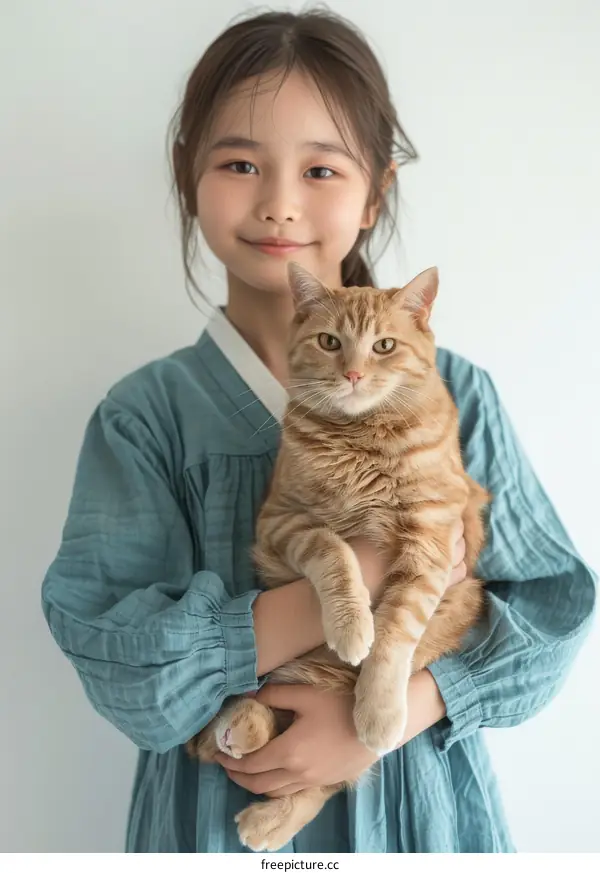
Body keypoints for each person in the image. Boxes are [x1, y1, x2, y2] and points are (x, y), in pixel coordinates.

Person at [41, 8, 596, 853]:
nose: (279, 204)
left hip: (419, 821)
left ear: (377, 191)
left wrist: (394, 711)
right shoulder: (147, 415)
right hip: (214, 825)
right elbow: (123, 669)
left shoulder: (459, 394)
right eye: (240, 163)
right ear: (188, 173)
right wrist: (358, 575)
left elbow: (553, 608)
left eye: (321, 169)